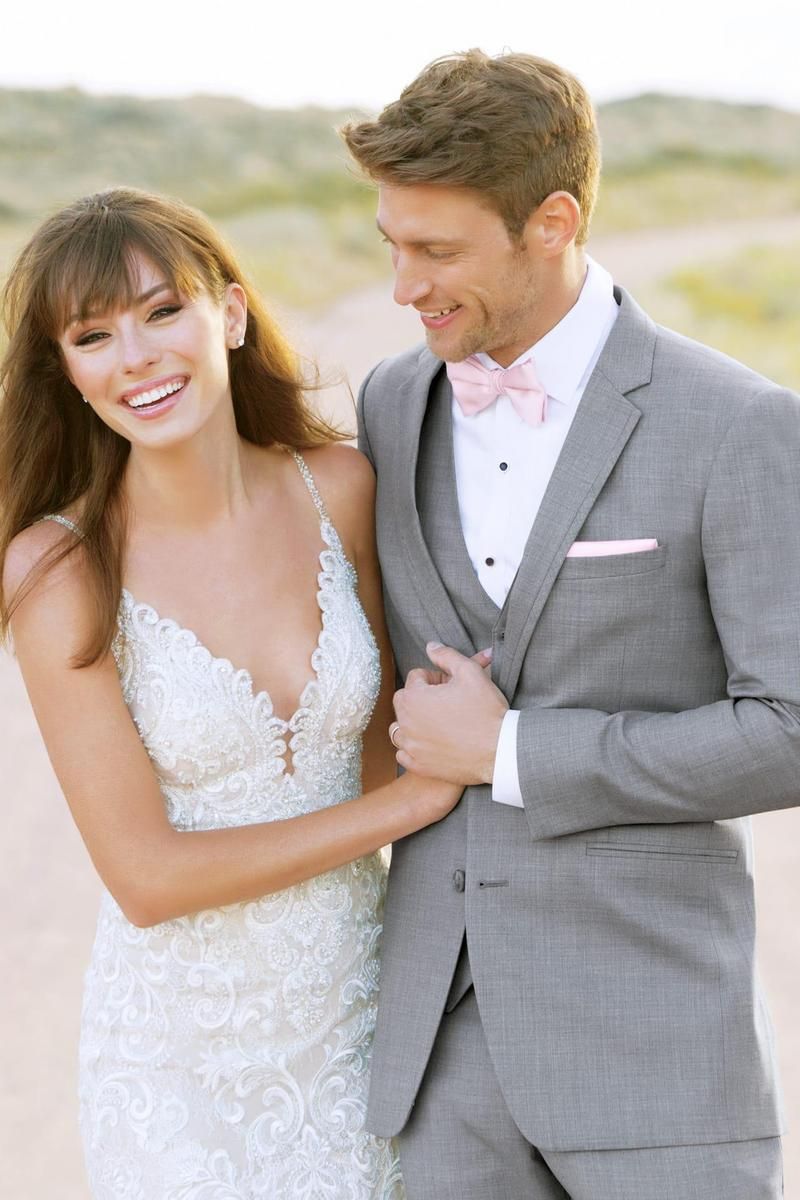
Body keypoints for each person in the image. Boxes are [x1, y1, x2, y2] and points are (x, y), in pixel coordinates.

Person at [341, 49, 800, 1200]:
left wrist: (508, 754)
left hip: (651, 1044)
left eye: (437, 252)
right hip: (440, 1044)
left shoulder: (735, 426)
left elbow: (788, 724)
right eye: (390, 245)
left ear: (552, 221)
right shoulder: (390, 404)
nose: (404, 286)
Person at [0, 187, 461, 1199]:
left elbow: (389, 736)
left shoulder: (340, 488)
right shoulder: (57, 570)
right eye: (93, 336)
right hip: (180, 1069)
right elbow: (146, 877)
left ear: (232, 314)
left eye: (163, 311)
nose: (136, 358)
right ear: (67, 373)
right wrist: (403, 804)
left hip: (361, 1024)